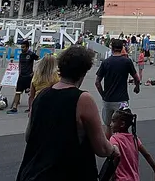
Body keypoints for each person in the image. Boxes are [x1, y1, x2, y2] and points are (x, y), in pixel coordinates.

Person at [17, 46, 119, 181]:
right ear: (83, 72)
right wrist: (114, 149)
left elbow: (28, 136)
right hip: (67, 173)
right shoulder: (83, 99)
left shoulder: (41, 96)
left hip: (32, 173)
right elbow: (101, 148)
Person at [95, 38, 141, 129]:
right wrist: (137, 87)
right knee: (122, 126)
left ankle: (110, 143)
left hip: (108, 100)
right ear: (122, 48)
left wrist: (103, 95)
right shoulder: (127, 62)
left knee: (108, 126)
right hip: (122, 100)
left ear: (111, 48)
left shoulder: (105, 62)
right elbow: (137, 78)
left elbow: (97, 82)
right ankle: (121, 142)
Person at [109, 107, 155, 181]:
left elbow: (116, 156)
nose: (110, 124)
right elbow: (147, 155)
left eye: (113, 121)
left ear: (122, 124)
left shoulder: (114, 139)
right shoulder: (134, 139)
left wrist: (111, 176)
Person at [8, 41, 39, 114]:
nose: (22, 48)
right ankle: (14, 108)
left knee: (31, 93)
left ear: (27, 47)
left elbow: (39, 61)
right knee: (17, 92)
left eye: (23, 47)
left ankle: (31, 108)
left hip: (29, 76)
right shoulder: (21, 55)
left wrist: (34, 71)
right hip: (21, 76)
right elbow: (20, 64)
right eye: (21, 47)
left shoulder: (31, 54)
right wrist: (19, 72)